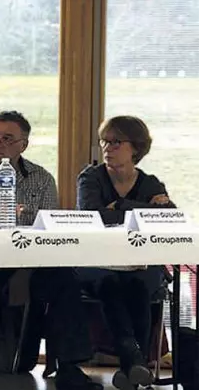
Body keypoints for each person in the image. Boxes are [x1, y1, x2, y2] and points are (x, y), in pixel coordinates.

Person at [0, 110, 102, 390]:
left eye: (7, 138)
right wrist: (9, 214)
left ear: (23, 145)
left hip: (31, 262)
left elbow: (48, 226)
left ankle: (69, 366)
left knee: (64, 279)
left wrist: (2, 215)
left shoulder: (41, 179)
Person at [76, 115, 172, 390]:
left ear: (136, 148)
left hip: (140, 264)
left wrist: (117, 206)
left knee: (138, 284)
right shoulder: (90, 177)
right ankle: (134, 362)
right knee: (111, 283)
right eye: (104, 141)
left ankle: (132, 365)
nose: (107, 147)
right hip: (98, 263)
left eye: (116, 142)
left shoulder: (151, 183)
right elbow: (92, 215)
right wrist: (140, 209)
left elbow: (168, 215)